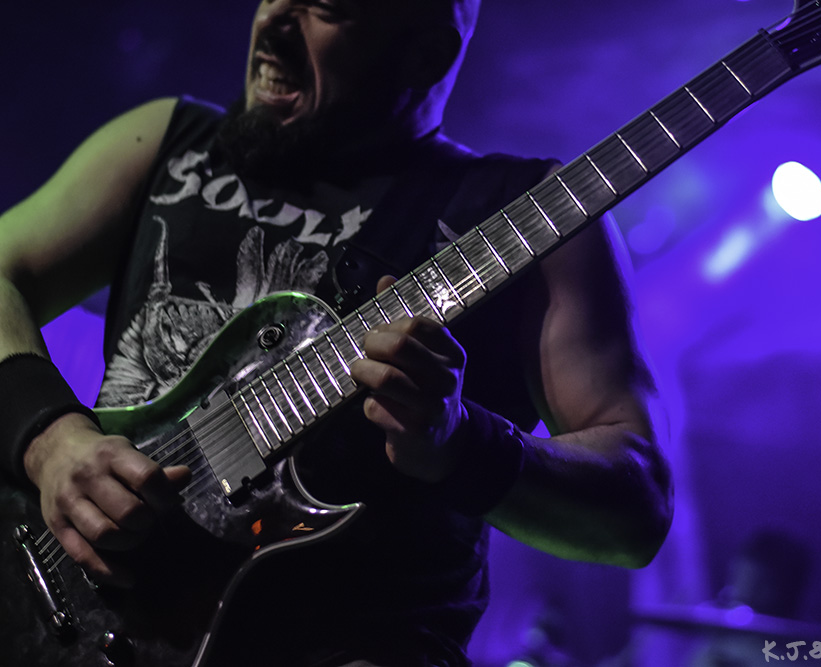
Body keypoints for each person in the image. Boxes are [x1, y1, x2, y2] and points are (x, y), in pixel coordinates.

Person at [0, 1, 672, 665]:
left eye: (324, 6)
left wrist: (464, 442)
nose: (273, 22)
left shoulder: (524, 214)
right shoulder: (166, 142)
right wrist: (50, 439)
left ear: (424, 54)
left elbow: (638, 504)